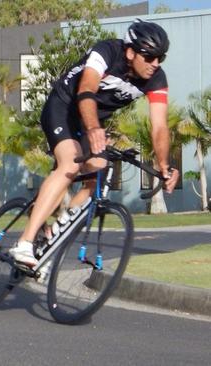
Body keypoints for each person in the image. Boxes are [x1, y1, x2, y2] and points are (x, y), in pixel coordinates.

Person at [9, 19, 180, 267]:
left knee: (99, 172)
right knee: (70, 162)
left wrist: (165, 165)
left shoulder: (156, 79)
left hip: (90, 122)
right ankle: (24, 242)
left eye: (160, 58)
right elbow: (87, 89)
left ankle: (54, 231)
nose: (155, 64)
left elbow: (160, 126)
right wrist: (92, 129)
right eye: (149, 57)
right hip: (64, 107)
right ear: (130, 52)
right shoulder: (107, 51)